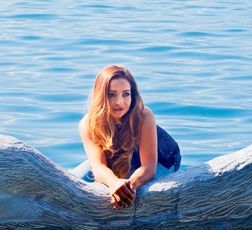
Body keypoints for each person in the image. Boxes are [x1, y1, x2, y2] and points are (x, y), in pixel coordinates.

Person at [73, 65, 181, 209]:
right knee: (72, 179)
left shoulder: (144, 115)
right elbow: (99, 166)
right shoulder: (87, 123)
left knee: (132, 197)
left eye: (126, 94)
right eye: (112, 94)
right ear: (102, 96)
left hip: (161, 160)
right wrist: (114, 183)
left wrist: (129, 186)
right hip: (116, 157)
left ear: (133, 94)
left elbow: (148, 166)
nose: (120, 102)